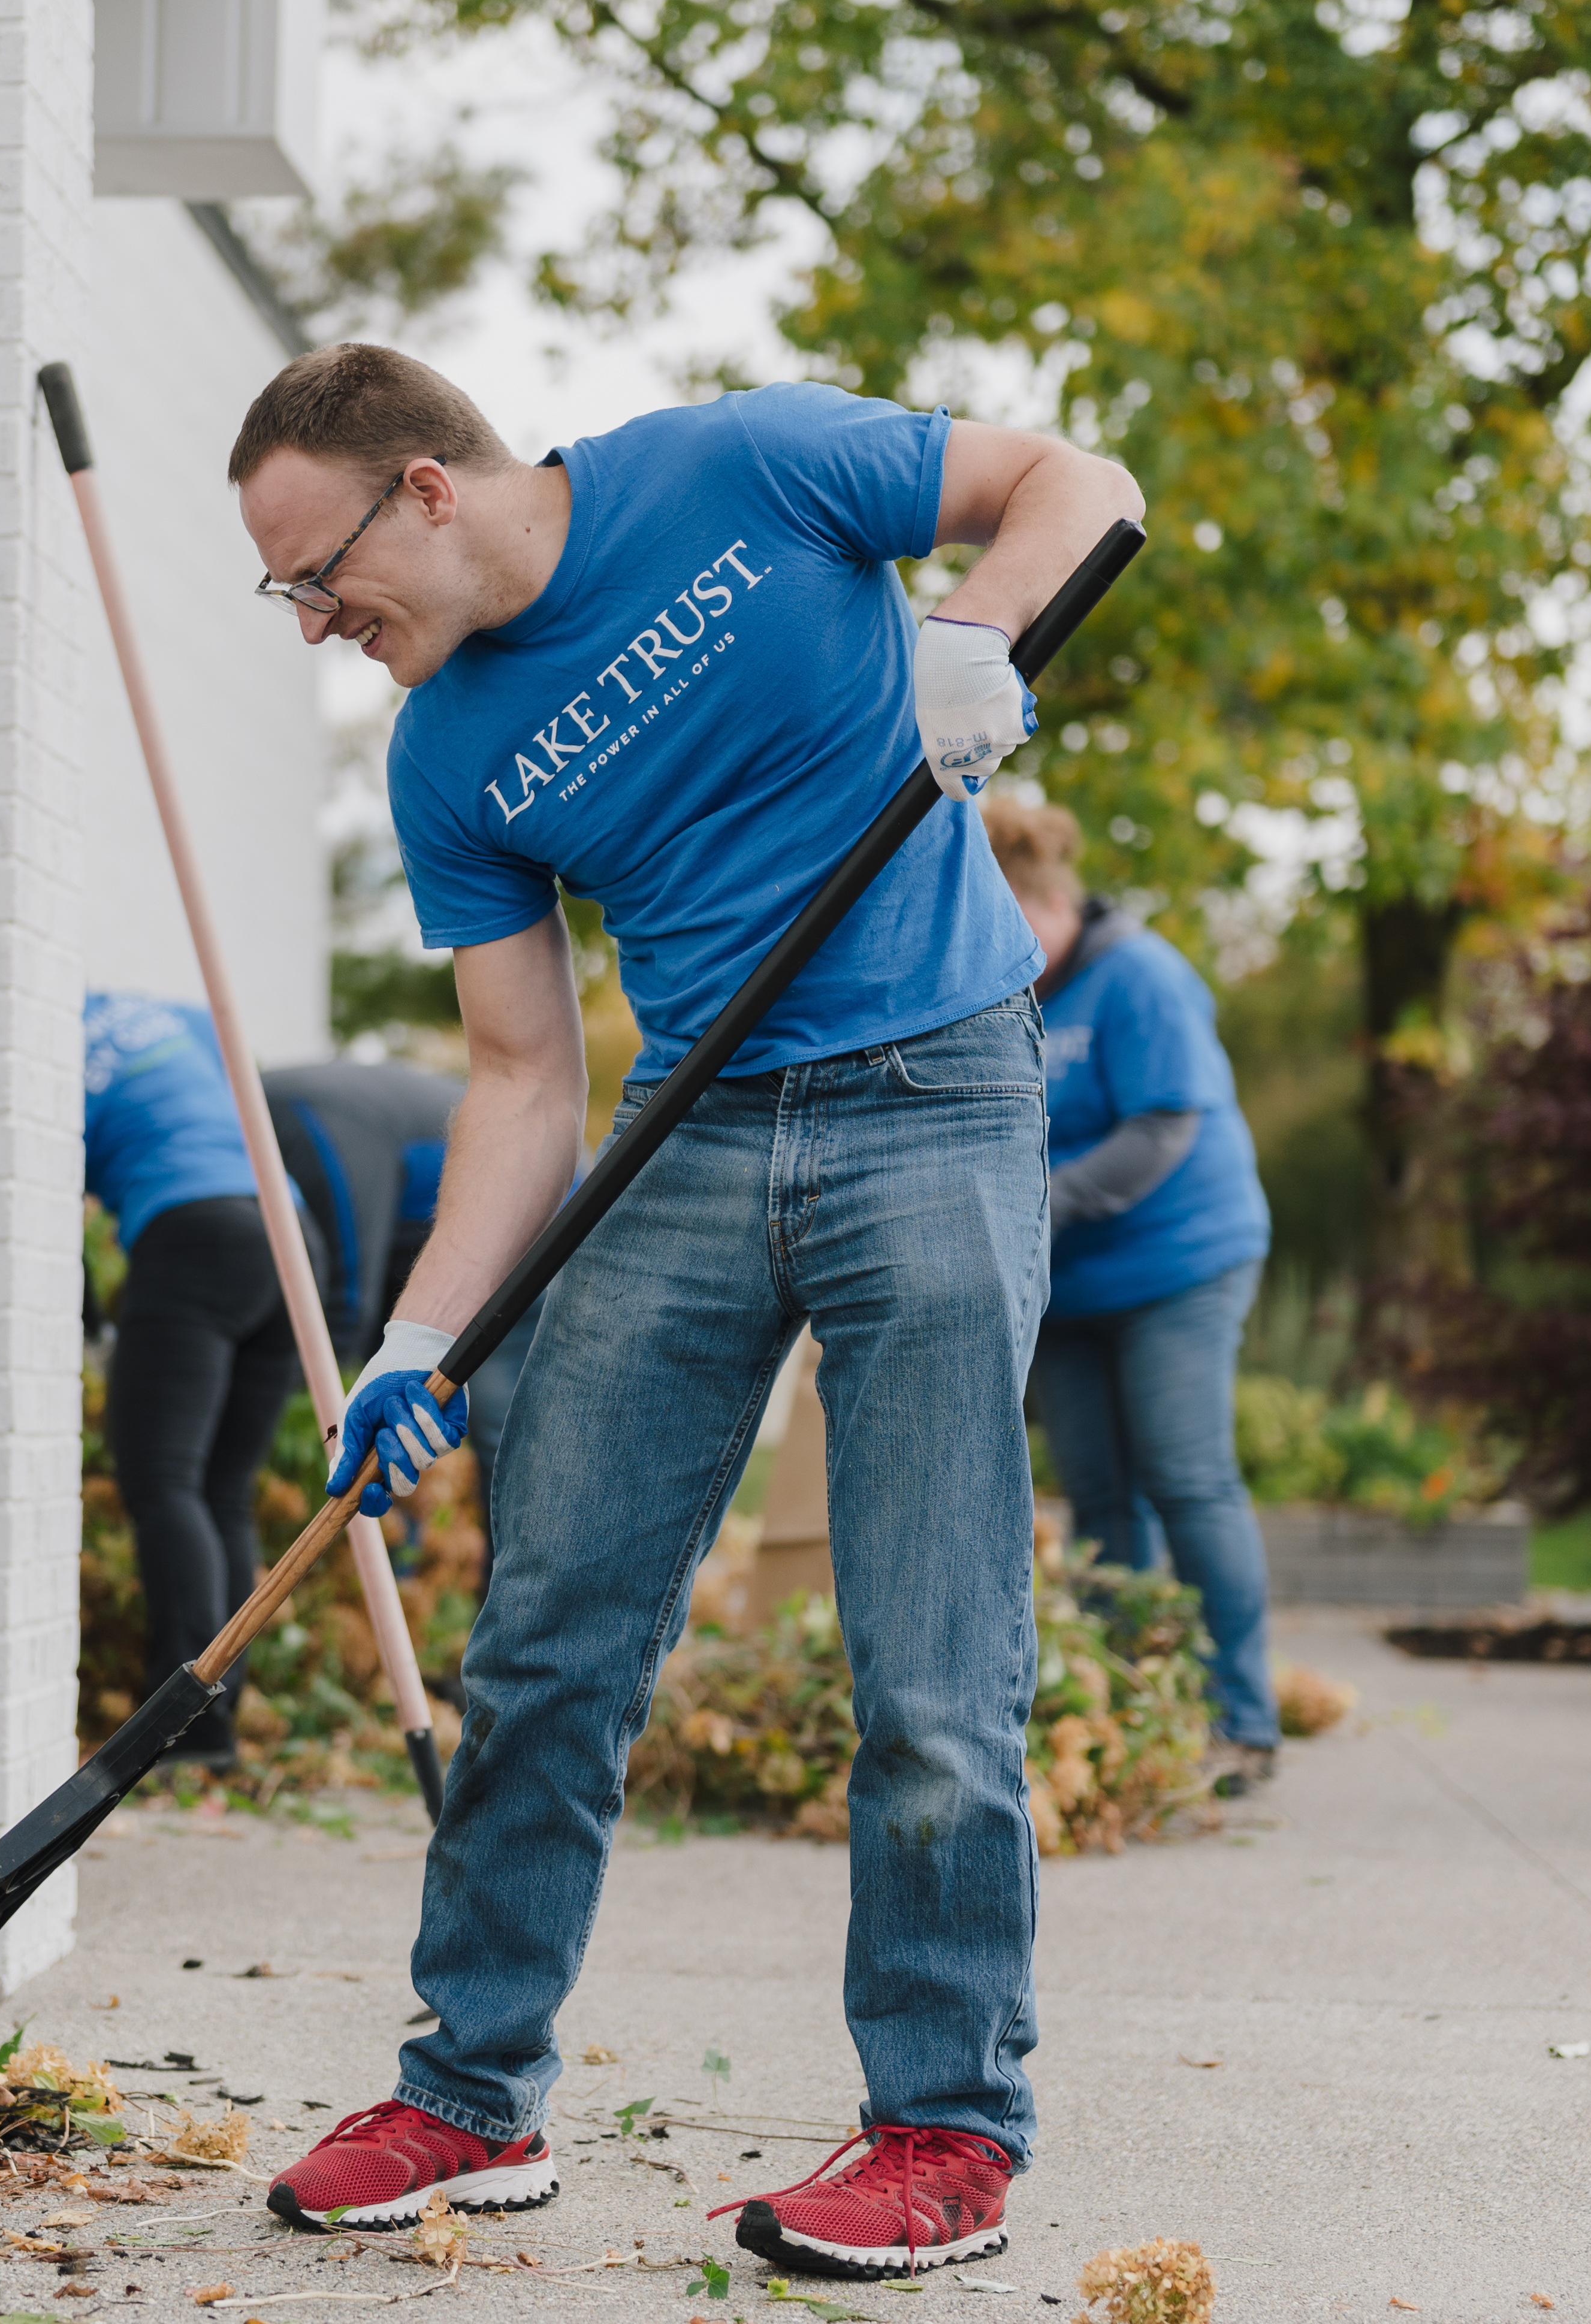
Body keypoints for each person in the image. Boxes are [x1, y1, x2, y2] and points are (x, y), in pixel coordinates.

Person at [227, 343, 1143, 2280]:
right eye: (284, 598)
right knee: (549, 1632)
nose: (317, 622)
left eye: (318, 573)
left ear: (426, 489)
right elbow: (515, 1078)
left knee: (924, 1663)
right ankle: (466, 2092)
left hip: (934, 1093)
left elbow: (1082, 479)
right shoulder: (443, 751)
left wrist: (968, 640)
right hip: (686, 1136)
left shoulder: (749, 464)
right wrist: (417, 1338)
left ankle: (942, 2130)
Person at [980, 802, 1280, 1794]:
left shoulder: (1137, 975)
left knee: (1185, 1475)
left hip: (1178, 1263)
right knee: (1098, 1494)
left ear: (1051, 902)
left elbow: (1161, 1129)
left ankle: (1242, 1719)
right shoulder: (998, 995)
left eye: (1011, 923)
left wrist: (1036, 1198)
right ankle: (1135, 1706)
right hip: (1066, 1278)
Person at [83, 990, 313, 1771]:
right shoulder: (175, 1013)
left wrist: (86, 1320)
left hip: (193, 1230)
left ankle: (176, 1731)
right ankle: (214, 1728)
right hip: (288, 1229)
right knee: (222, 1488)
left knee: (163, 1480)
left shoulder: (40, 1027)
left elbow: (40, 1188)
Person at [263, 1058, 531, 1471]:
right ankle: (404, 1526)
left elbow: (349, 1298)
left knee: (504, 1432)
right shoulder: (266, 1116)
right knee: (394, 1413)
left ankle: (514, 1537)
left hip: (534, 1214)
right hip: (421, 1242)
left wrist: (311, 1419)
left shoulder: (310, 1123)